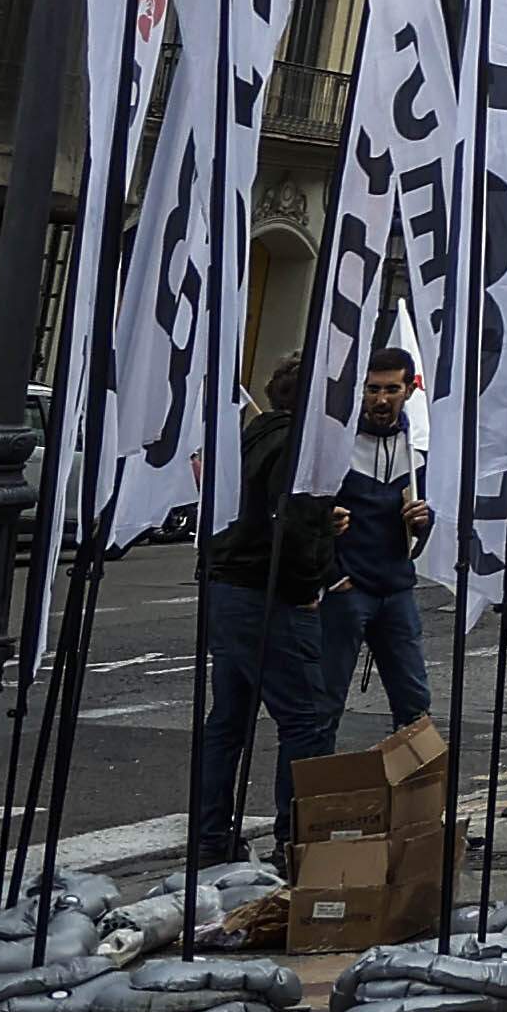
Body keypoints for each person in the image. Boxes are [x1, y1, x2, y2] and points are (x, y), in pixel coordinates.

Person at [194, 356, 351, 864]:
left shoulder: (253, 437)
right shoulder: (297, 448)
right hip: (269, 594)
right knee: (306, 721)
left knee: (228, 721)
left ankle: (212, 838)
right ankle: (295, 841)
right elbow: (294, 524)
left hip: (230, 585)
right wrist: (311, 580)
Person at [325, 349, 434, 733]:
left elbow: (425, 518)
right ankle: (309, 792)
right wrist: (334, 575)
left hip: (396, 589)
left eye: (391, 389)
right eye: (372, 389)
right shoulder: (338, 445)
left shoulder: (418, 446)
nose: (381, 399)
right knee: (326, 703)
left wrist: (424, 520)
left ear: (408, 390)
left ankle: (413, 792)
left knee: (415, 705)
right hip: (347, 590)